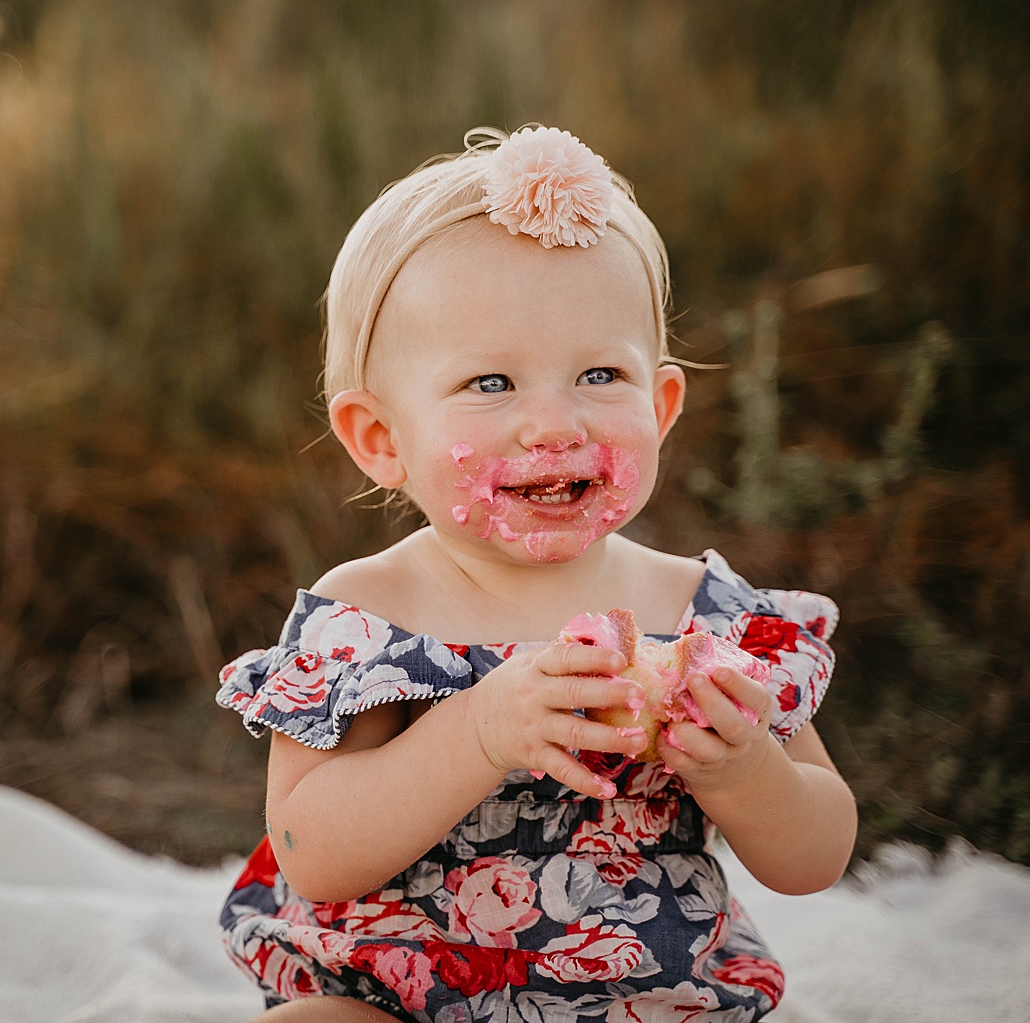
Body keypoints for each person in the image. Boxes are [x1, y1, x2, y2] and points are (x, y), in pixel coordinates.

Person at [214, 126, 857, 1022]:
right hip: (400, 997)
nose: (553, 425)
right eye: (490, 384)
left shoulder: (704, 615)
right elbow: (309, 847)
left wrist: (746, 768)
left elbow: (817, 852)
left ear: (661, 406)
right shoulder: (371, 612)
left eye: (599, 373)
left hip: (646, 998)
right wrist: (479, 729)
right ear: (381, 438)